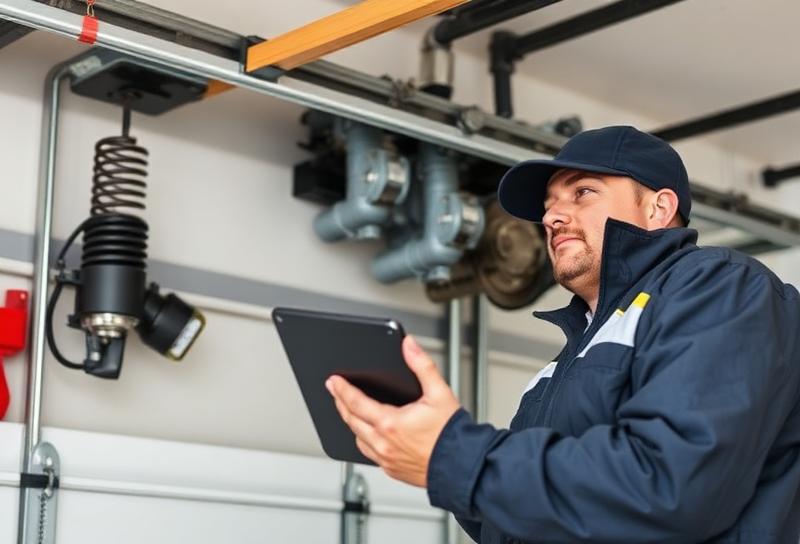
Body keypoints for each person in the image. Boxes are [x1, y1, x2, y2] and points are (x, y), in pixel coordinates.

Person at [326, 126, 800, 543]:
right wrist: (425, 449)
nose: (552, 217)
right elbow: (543, 517)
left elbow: (672, 485)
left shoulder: (718, 286)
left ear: (659, 207)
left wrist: (457, 455)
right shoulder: (578, 348)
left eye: (582, 193)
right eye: (550, 205)